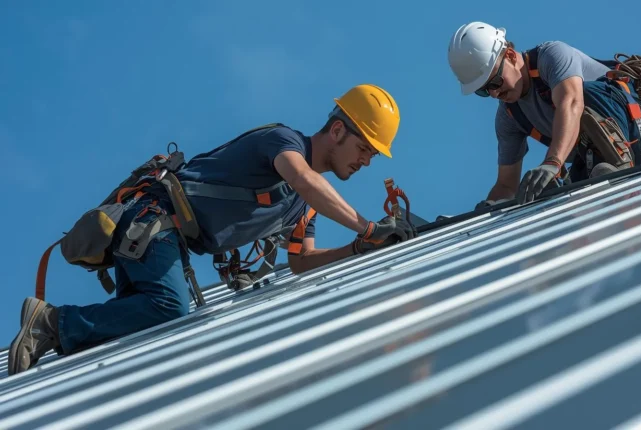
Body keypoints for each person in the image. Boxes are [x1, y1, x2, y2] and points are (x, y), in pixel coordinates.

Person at [8, 83, 416, 376]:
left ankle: (50, 333)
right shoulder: (283, 143)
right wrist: (367, 228)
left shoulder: (302, 208)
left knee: (137, 333)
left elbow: (300, 261)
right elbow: (305, 181)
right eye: (365, 148)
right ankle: (52, 323)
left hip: (160, 239)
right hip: (154, 220)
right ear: (338, 130)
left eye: (373, 155)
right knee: (168, 308)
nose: (366, 162)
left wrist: (357, 249)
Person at [447, 22, 641, 207]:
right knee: (546, 190)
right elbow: (506, 185)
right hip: (593, 164)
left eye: (496, 81)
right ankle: (593, 173)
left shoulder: (552, 56)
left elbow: (572, 103)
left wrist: (553, 163)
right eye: (484, 91)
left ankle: (617, 162)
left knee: (582, 93)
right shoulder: (509, 116)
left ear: (509, 55)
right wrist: (489, 207)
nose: (496, 92)